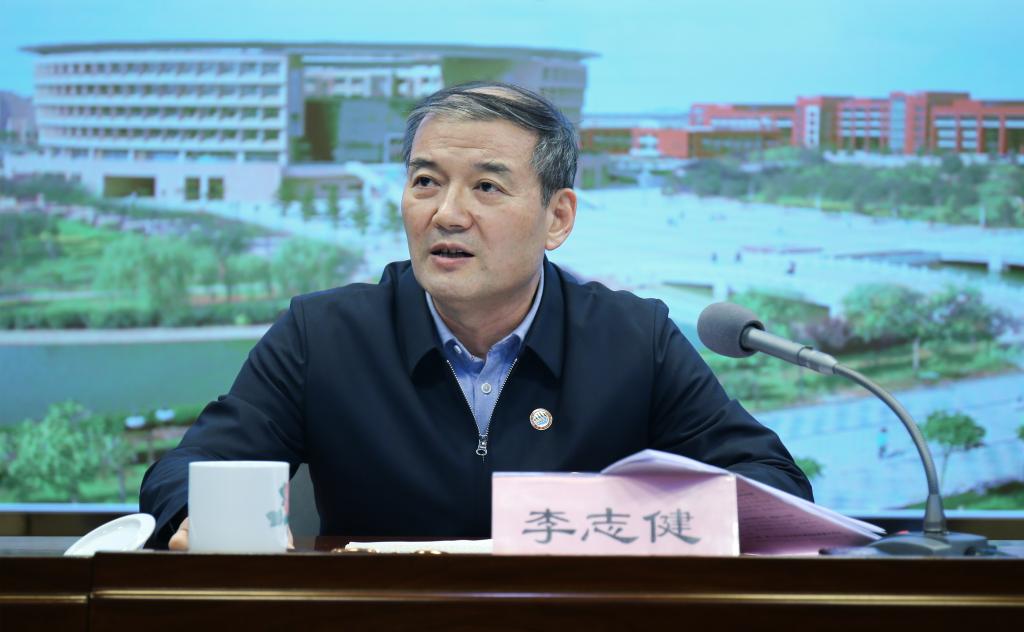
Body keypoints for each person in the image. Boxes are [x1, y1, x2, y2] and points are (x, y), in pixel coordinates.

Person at [141, 82, 811, 549]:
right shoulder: (324, 336)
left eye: (486, 186)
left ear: (557, 217)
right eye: (425, 182)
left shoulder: (634, 338)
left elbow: (772, 485)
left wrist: (635, 520)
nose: (447, 213)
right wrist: (193, 517)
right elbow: (187, 470)